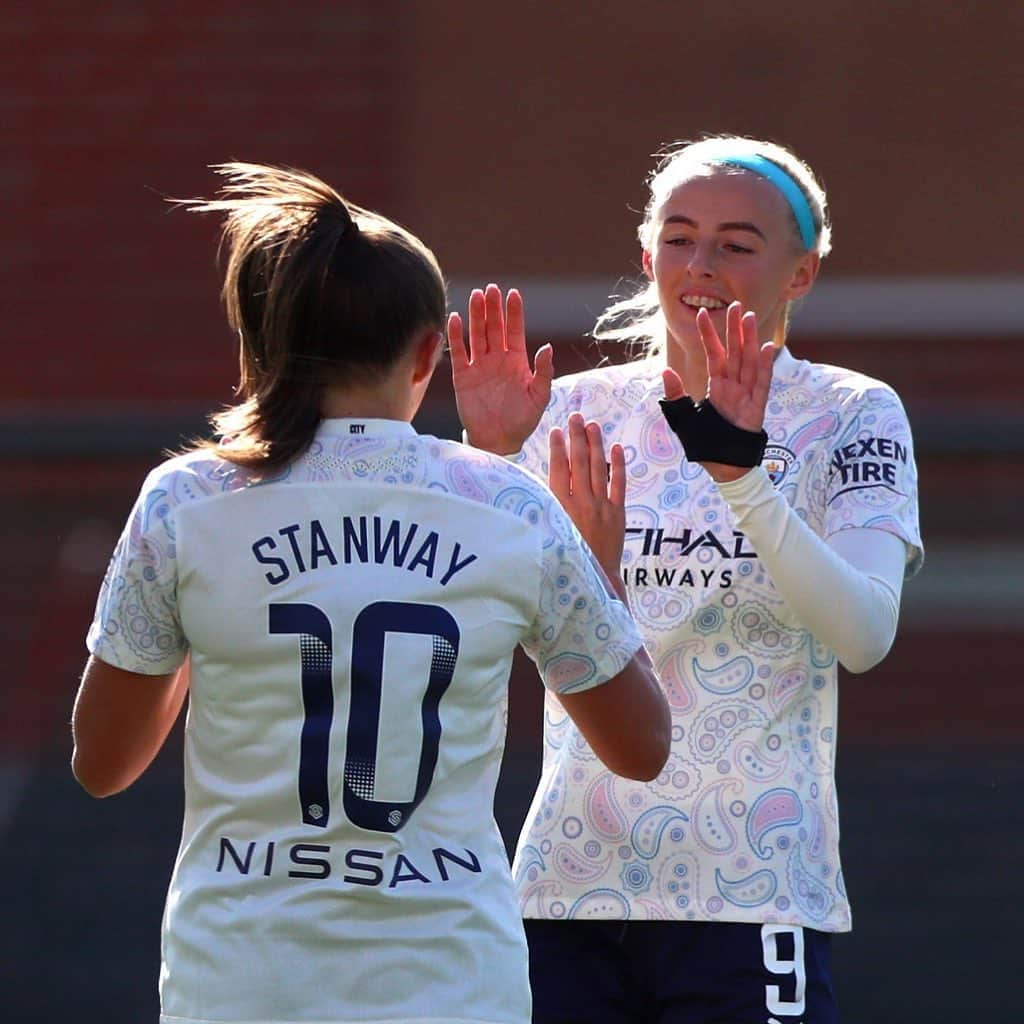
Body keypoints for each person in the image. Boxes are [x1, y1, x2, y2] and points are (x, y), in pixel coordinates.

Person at [71, 162, 670, 1024]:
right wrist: (599, 576)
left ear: (261, 347)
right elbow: (641, 747)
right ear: (430, 351)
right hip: (454, 985)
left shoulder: (187, 501)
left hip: (239, 984)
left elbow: (103, 763)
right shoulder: (508, 504)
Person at [450, 135, 923, 1023]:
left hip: (751, 892)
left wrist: (741, 476)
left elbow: (864, 634)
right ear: (645, 253)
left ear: (801, 274)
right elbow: (474, 630)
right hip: (567, 891)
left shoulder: (853, 412)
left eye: (738, 244)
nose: (701, 265)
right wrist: (493, 458)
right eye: (679, 237)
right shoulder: (575, 411)